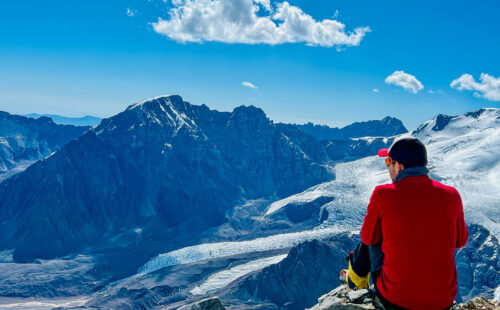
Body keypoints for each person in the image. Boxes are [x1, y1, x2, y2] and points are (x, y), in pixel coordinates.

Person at [341, 136, 468, 310]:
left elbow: (368, 238)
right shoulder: (452, 195)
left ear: (398, 165)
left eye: (388, 162)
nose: (387, 167)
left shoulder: (383, 194)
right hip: (442, 302)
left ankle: (355, 278)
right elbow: (460, 241)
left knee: (373, 236)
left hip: (396, 301)